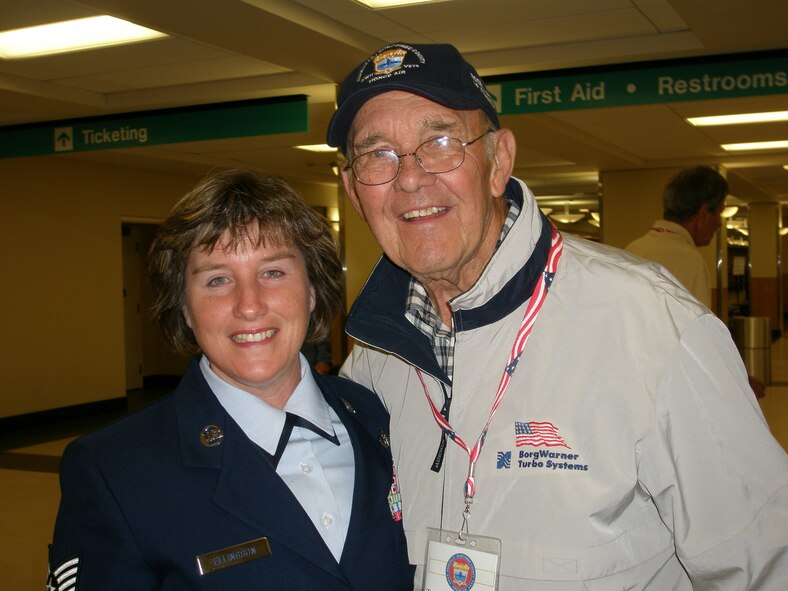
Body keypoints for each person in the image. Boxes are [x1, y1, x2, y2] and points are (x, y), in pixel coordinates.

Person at [328, 42, 788, 590]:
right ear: (354, 192)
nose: (409, 177)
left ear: (498, 162)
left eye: (441, 141)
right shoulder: (371, 362)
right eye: (376, 154)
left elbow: (763, 566)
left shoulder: (651, 325)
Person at [47, 170, 413, 590]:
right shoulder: (114, 471)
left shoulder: (375, 416)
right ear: (184, 306)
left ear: (312, 290)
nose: (250, 305)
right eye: (218, 280)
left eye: (272, 272)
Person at [626, 166, 767, 398]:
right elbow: (697, 339)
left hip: (637, 381)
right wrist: (736, 382)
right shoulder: (690, 260)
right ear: (703, 213)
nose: (720, 223)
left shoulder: (633, 249)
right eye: (718, 213)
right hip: (672, 386)